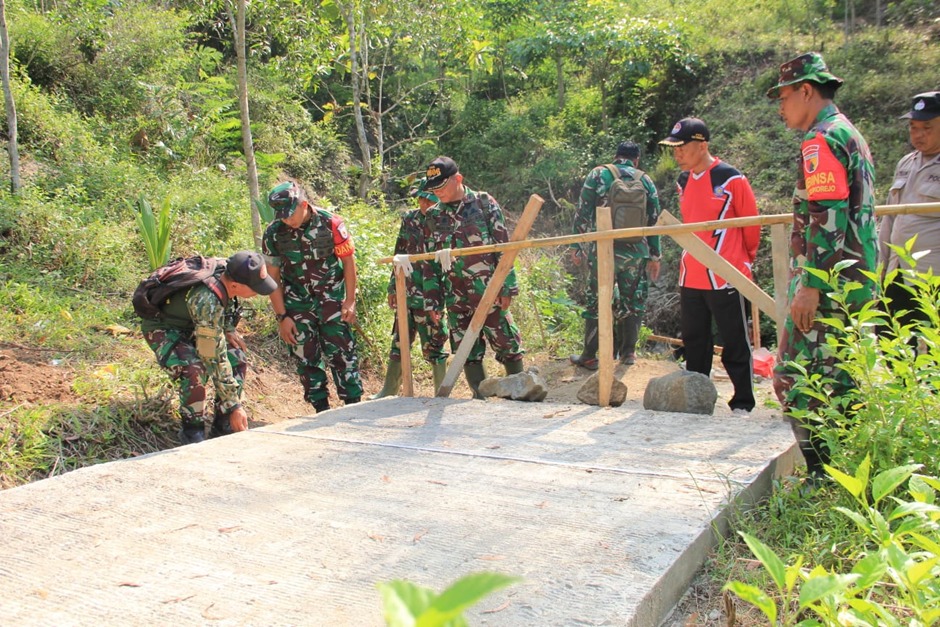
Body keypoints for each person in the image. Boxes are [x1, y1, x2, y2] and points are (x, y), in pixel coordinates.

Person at [767, 52, 878, 480]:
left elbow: (827, 216)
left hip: (829, 285)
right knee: (841, 379)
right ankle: (848, 473)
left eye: (784, 96)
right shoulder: (851, 135)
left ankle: (824, 476)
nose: (780, 106)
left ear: (807, 91)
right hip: (854, 280)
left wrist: (811, 284)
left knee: (796, 379)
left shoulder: (822, 140)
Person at [658, 117, 760, 415]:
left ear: (702, 145)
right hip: (692, 272)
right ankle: (697, 397)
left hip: (726, 273)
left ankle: (743, 400)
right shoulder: (683, 181)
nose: (677, 155)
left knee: (734, 339)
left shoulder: (730, 179)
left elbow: (751, 225)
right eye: (673, 149)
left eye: (681, 148)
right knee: (695, 340)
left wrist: (743, 260)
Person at [140, 250, 277, 444]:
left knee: (236, 357)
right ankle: (192, 431)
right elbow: (213, 356)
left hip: (194, 324)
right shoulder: (207, 300)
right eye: (255, 288)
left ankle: (224, 425)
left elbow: (227, 304)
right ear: (236, 285)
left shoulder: (226, 271)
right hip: (165, 328)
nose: (257, 293)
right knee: (194, 368)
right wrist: (235, 405)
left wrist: (228, 328)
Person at [420, 156, 525, 398]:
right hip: (455, 295)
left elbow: (503, 246)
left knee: (506, 342)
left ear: (458, 179)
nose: (438, 193)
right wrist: (432, 300)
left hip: (489, 290)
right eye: (434, 189)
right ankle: (480, 398)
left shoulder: (484, 203)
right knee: (466, 349)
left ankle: (521, 393)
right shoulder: (433, 215)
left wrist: (507, 286)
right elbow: (430, 261)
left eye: (442, 187)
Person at [262, 181, 363, 413]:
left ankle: (353, 407)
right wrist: (282, 317)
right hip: (296, 304)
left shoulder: (331, 223)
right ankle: (321, 409)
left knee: (343, 354)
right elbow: (273, 278)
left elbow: (348, 262)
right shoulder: (273, 233)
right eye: (282, 215)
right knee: (306, 358)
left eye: (290, 213)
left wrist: (349, 300)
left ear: (304, 204)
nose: (287, 219)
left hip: (333, 301)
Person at [569, 140, 662, 369]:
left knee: (597, 300)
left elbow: (582, 211)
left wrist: (577, 246)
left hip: (604, 250)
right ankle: (628, 354)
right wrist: (655, 255)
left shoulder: (599, 174)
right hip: (636, 252)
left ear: (616, 156)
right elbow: (654, 220)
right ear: (636, 159)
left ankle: (590, 356)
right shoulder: (645, 180)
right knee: (633, 302)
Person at [371, 178, 449, 398]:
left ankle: (441, 392)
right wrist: (392, 287)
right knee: (399, 340)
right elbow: (399, 253)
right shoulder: (410, 219)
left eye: (429, 199)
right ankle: (390, 389)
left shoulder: (444, 220)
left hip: (432, 293)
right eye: (421, 198)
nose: (424, 203)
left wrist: (439, 297)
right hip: (407, 289)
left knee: (435, 342)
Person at [878, 91, 940, 332]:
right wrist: (881, 268)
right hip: (897, 271)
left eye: (927, 127)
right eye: (914, 127)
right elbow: (889, 218)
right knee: (893, 341)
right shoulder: (906, 163)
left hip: (931, 276)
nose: (919, 134)